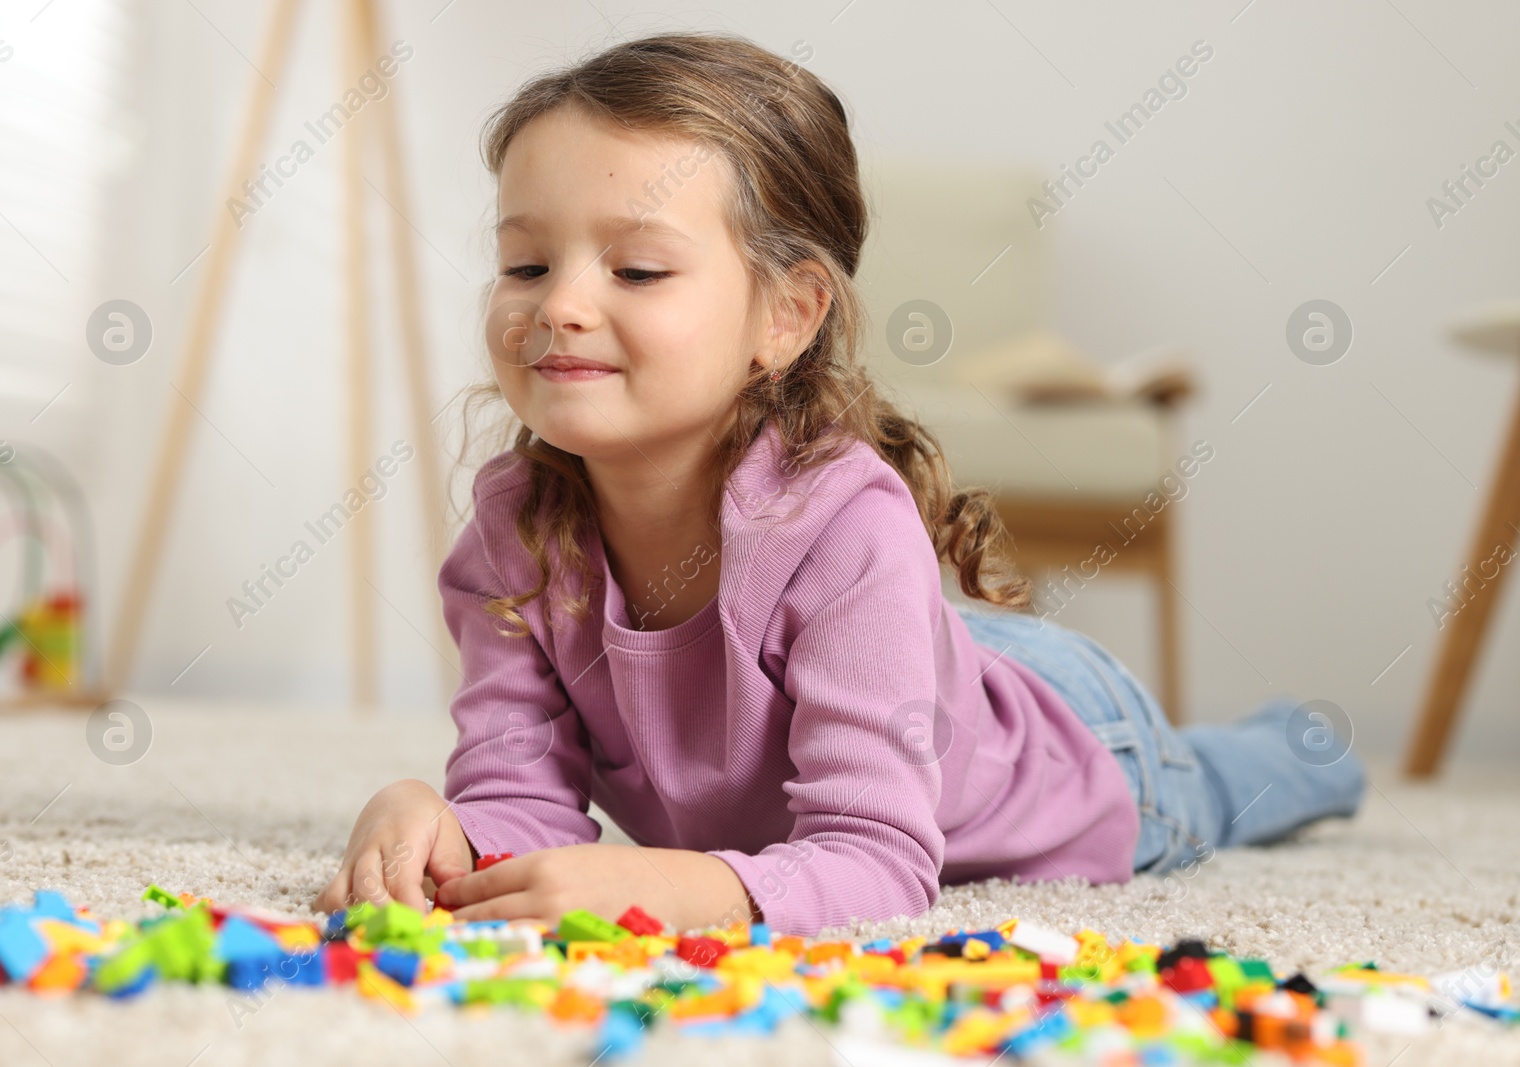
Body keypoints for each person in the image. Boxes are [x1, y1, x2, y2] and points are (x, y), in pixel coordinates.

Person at [313, 31, 1365, 937]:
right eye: (527, 265)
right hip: (913, 663)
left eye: (635, 270)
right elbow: (521, 804)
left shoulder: (842, 523)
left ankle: (1302, 745)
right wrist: (432, 819)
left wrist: (694, 883)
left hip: (1079, 740)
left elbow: (877, 863)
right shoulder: (516, 525)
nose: (560, 307)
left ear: (786, 315)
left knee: (1225, 786)